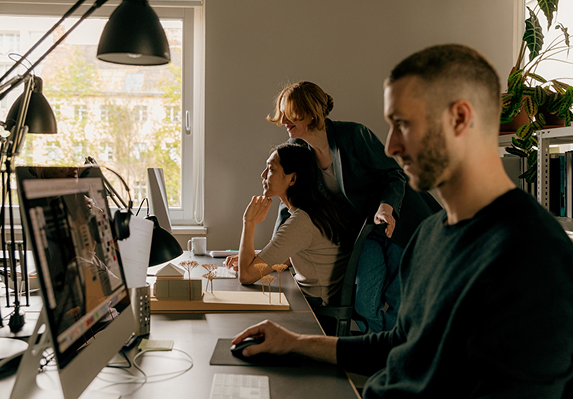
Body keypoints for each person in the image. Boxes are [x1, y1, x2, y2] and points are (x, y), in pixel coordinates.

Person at [230, 44, 573, 398]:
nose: (391, 146)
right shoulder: (429, 236)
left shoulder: (534, 253)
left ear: (459, 118)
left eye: (402, 125)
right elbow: (401, 344)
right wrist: (295, 343)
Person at [266, 81, 441, 332]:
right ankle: (377, 351)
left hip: (400, 222)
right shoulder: (300, 151)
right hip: (367, 232)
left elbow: (394, 175)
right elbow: (292, 201)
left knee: (398, 297)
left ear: (310, 112)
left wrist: (386, 206)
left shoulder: (353, 135)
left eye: (288, 113)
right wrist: (273, 253)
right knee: (364, 302)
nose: (282, 120)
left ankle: (392, 359)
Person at [228, 142, 350, 307]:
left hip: (316, 308)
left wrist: (248, 222)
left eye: (271, 169)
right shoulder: (315, 210)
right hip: (313, 298)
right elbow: (290, 255)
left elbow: (246, 276)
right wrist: (256, 258)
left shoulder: (302, 221)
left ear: (292, 179)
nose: (263, 175)